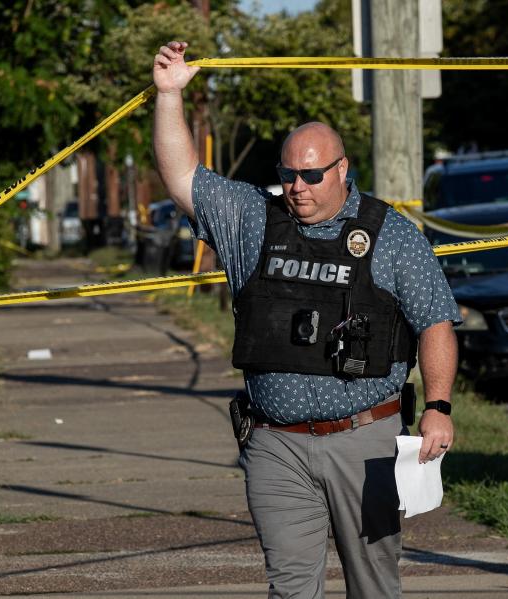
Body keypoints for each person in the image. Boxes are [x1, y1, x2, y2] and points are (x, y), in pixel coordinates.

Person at [152, 40, 460, 599]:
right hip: (276, 444)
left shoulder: (390, 234)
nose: (298, 187)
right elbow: (183, 178)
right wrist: (169, 94)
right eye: (289, 174)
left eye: (312, 175)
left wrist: (437, 407)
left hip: (366, 440)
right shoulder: (252, 220)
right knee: (291, 587)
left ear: (342, 168)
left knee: (373, 586)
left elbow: (436, 321)